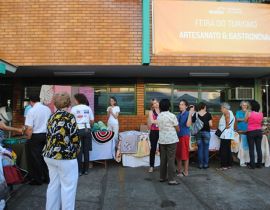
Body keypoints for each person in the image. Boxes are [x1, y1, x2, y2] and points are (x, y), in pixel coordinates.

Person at [43, 92, 80, 210]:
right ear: (68, 103)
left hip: (49, 155)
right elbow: (75, 138)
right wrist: (76, 150)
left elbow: (48, 135)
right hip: (65, 157)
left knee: (53, 185)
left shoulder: (51, 116)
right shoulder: (70, 117)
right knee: (68, 187)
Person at [24, 94, 51, 185]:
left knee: (35, 158)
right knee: (45, 157)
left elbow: (29, 128)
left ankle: (37, 179)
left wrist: (28, 138)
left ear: (31, 101)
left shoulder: (31, 111)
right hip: (47, 135)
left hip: (35, 136)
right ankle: (47, 178)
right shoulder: (47, 109)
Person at [157, 99, 180, 185]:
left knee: (163, 159)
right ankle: (171, 179)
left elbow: (158, 126)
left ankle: (162, 177)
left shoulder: (159, 116)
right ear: (169, 106)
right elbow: (177, 128)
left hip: (162, 140)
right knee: (171, 159)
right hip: (171, 140)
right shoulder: (172, 116)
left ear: (160, 107)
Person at [71, 93, 94, 176]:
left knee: (79, 151)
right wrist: (89, 126)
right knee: (86, 151)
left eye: (75, 99)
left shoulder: (73, 109)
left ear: (78, 100)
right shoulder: (88, 108)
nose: (74, 101)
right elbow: (92, 121)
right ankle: (86, 170)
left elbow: (72, 121)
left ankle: (79, 171)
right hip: (87, 130)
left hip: (78, 130)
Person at [192, 102, 212, 169]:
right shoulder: (208, 114)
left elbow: (193, 123)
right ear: (204, 107)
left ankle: (200, 165)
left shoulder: (196, 114)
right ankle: (205, 164)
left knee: (200, 149)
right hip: (206, 132)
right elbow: (210, 125)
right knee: (206, 149)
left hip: (198, 133)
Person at [176, 99, 193, 177]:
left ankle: (186, 171)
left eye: (182, 104)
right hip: (177, 136)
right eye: (180, 104)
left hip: (184, 136)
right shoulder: (178, 115)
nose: (180, 106)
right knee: (178, 154)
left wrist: (190, 114)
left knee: (185, 154)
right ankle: (179, 170)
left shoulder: (187, 114)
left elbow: (188, 125)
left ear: (186, 106)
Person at [216, 102, 235, 171]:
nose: (220, 109)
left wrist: (227, 124)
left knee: (223, 150)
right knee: (227, 150)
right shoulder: (231, 112)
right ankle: (229, 164)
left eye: (221, 108)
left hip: (225, 135)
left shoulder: (226, 112)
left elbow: (227, 119)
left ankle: (224, 165)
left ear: (224, 108)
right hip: (228, 135)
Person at [245, 100, 263, 169]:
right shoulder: (261, 114)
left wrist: (247, 114)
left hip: (251, 132)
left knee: (251, 149)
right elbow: (260, 122)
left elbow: (245, 121)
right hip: (259, 131)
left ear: (252, 106)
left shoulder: (249, 113)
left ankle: (252, 165)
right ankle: (259, 164)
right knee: (259, 149)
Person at [147, 99, 160, 173]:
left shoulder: (162, 111)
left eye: (157, 102)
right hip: (154, 132)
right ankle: (151, 166)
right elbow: (151, 121)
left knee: (162, 148)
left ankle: (163, 165)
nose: (156, 104)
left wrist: (156, 121)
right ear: (152, 105)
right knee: (153, 149)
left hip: (161, 131)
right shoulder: (151, 112)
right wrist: (161, 121)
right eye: (154, 103)